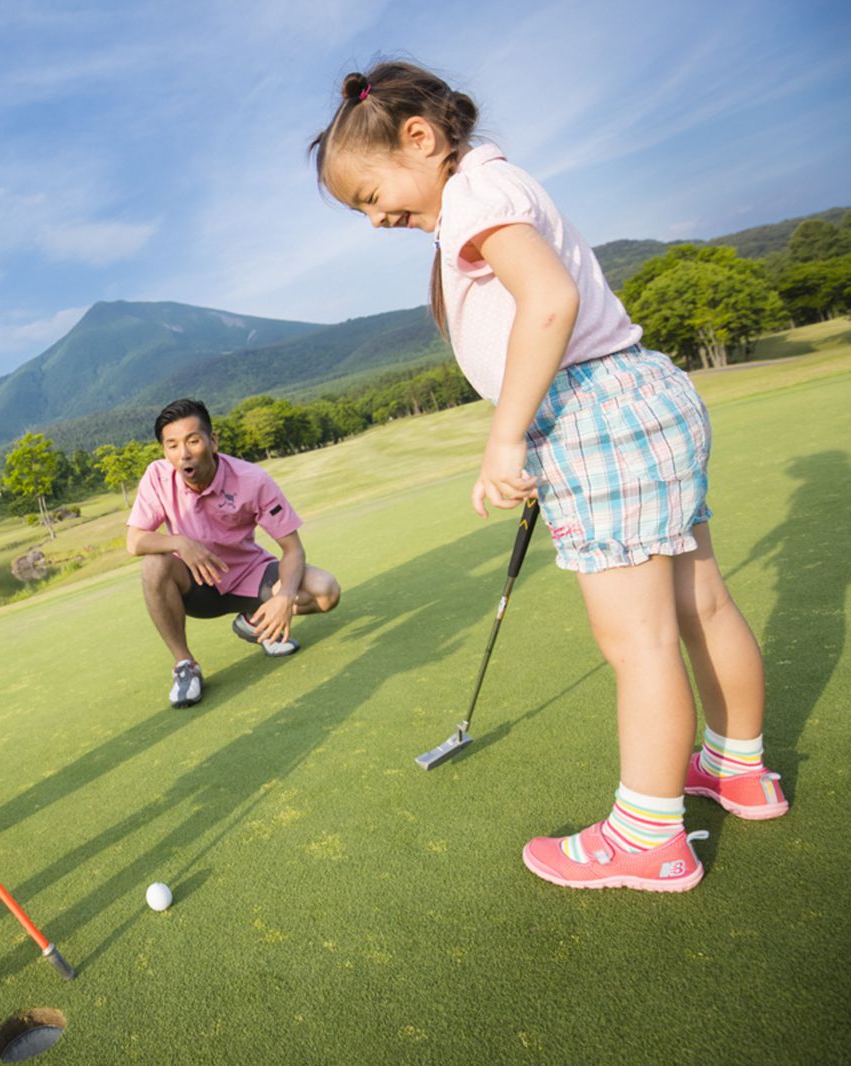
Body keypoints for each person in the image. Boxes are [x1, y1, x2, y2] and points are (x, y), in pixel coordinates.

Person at [310, 61, 787, 892]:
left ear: (418, 140)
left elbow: (550, 302)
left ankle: (647, 835)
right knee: (698, 601)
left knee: (638, 642)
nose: (375, 216)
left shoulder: (474, 199)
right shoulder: (490, 185)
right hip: (637, 393)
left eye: (369, 194)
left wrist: (506, 438)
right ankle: (737, 769)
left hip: (593, 411)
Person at [126, 398, 341, 708]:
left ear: (213, 441)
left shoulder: (252, 480)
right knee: (153, 566)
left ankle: (255, 622)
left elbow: (293, 549)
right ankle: (185, 665)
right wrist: (179, 543)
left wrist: (283, 598)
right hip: (196, 587)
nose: (183, 453)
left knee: (326, 592)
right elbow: (134, 541)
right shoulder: (157, 477)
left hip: (250, 576)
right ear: (164, 452)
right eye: (172, 446)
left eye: (193, 440)